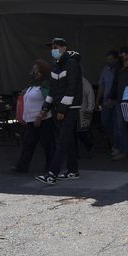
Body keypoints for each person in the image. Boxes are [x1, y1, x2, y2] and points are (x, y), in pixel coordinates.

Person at [36, 38, 83, 184]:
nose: (53, 50)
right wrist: (44, 109)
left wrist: (62, 109)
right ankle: (73, 170)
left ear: (64, 48)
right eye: (51, 48)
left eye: (55, 47)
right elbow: (52, 90)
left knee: (62, 141)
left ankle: (52, 174)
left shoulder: (71, 64)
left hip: (70, 108)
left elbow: (71, 88)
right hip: (59, 108)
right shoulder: (56, 66)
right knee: (67, 141)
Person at [13, 59, 55, 174]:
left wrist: (40, 116)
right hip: (31, 120)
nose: (34, 73)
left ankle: (51, 167)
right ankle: (22, 166)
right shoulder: (32, 84)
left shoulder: (46, 84)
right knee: (28, 144)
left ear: (43, 72)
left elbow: (50, 101)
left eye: (37, 71)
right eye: (34, 70)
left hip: (43, 120)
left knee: (47, 144)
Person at [96, 50, 119, 153]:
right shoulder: (105, 69)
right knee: (104, 122)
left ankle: (116, 145)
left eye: (110, 59)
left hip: (116, 101)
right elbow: (102, 85)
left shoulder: (119, 70)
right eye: (107, 60)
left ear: (116, 59)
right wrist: (97, 101)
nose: (108, 61)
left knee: (116, 123)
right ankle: (113, 141)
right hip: (105, 101)